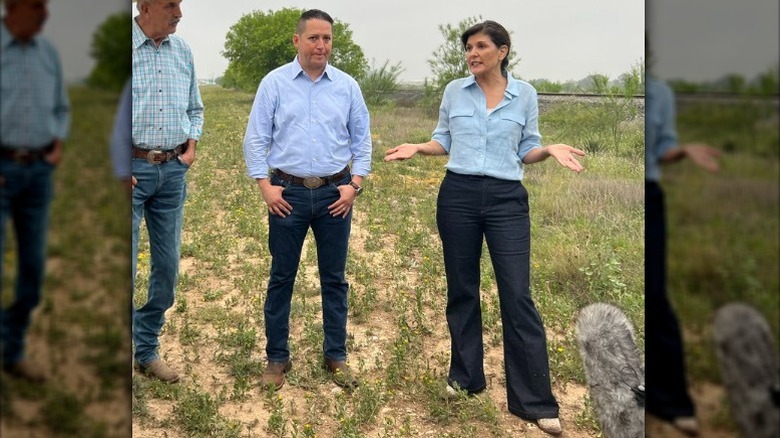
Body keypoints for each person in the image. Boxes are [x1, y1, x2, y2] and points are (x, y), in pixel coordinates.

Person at [385, 20, 583, 436]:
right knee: (462, 289)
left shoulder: (524, 94)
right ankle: (466, 378)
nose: (472, 54)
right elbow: (445, 139)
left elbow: (527, 147)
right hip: (457, 195)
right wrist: (420, 147)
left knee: (517, 294)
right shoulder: (455, 91)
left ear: (502, 50)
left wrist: (547, 150)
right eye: (468, 49)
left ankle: (534, 401)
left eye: (480, 47)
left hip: (506, 200)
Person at [243, 9, 371, 391]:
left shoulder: (347, 86)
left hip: (336, 194)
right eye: (313, 38)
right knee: (282, 277)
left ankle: (336, 356)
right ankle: (276, 358)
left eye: (327, 38)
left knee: (334, 279)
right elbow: (256, 138)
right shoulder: (275, 83)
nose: (321, 45)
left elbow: (362, 140)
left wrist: (355, 185)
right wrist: (266, 186)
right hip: (288, 194)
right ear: (297, 41)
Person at [132, 0, 203, 383]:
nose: (179, 12)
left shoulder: (183, 51)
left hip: (172, 173)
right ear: (144, 6)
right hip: (129, 170)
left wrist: (191, 147)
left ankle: (145, 351)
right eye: (170, 4)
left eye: (180, 4)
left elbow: (196, 108)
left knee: (167, 271)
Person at [645, 74, 719, 436]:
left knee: (655, 294)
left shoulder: (661, 94)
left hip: (651, 196)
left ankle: (672, 400)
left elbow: (663, 150)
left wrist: (684, 151)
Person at [0, 0, 69, 383]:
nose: (43, 15)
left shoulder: (48, 52)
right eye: (34, 7)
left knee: (33, 271)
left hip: (38, 173)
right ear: (12, 8)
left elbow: (61, 107)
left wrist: (57, 142)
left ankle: (12, 352)